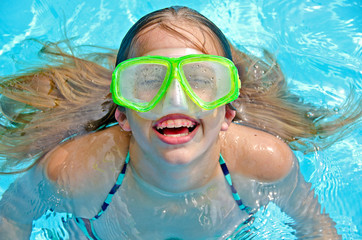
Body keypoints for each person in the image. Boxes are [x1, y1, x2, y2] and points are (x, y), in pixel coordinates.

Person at [0, 6, 359, 239]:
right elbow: (12, 217)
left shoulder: (265, 162)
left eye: (202, 79)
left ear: (227, 114)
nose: (175, 98)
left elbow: (315, 226)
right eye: (148, 81)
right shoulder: (74, 170)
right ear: (122, 114)